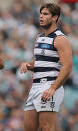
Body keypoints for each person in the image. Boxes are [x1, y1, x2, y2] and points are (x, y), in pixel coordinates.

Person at [20, 3, 72, 131]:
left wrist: (53, 88)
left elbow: (67, 67)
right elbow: (39, 62)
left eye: (45, 14)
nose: (41, 17)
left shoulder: (60, 38)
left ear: (55, 17)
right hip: (35, 87)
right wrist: (28, 65)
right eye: (41, 14)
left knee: (47, 128)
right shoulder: (40, 38)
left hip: (49, 86)